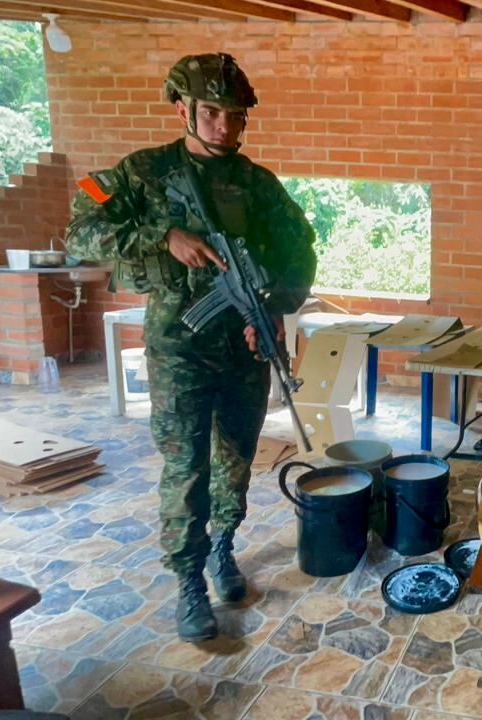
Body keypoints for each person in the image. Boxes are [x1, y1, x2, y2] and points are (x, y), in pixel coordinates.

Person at [66, 53, 316, 642]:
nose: (224, 127)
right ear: (183, 108)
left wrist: (275, 305)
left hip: (243, 348)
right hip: (179, 347)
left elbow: (300, 248)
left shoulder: (257, 184)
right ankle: (187, 583)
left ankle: (223, 549)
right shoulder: (143, 172)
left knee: (235, 460)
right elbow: (81, 227)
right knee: (186, 468)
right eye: (211, 113)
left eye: (235, 116)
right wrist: (163, 236)